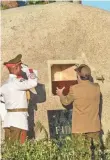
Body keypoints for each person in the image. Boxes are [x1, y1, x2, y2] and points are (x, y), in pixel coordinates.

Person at [56, 64, 101, 147]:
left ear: (78, 76)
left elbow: (66, 101)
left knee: (81, 154)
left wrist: (60, 94)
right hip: (94, 127)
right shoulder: (97, 87)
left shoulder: (74, 88)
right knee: (95, 153)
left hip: (80, 129)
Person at [0, 54, 38, 144]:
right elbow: (33, 82)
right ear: (16, 67)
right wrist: (29, 70)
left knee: (10, 150)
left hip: (8, 121)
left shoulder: (4, 85)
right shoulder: (17, 82)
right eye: (20, 67)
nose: (21, 69)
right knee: (19, 150)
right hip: (18, 122)